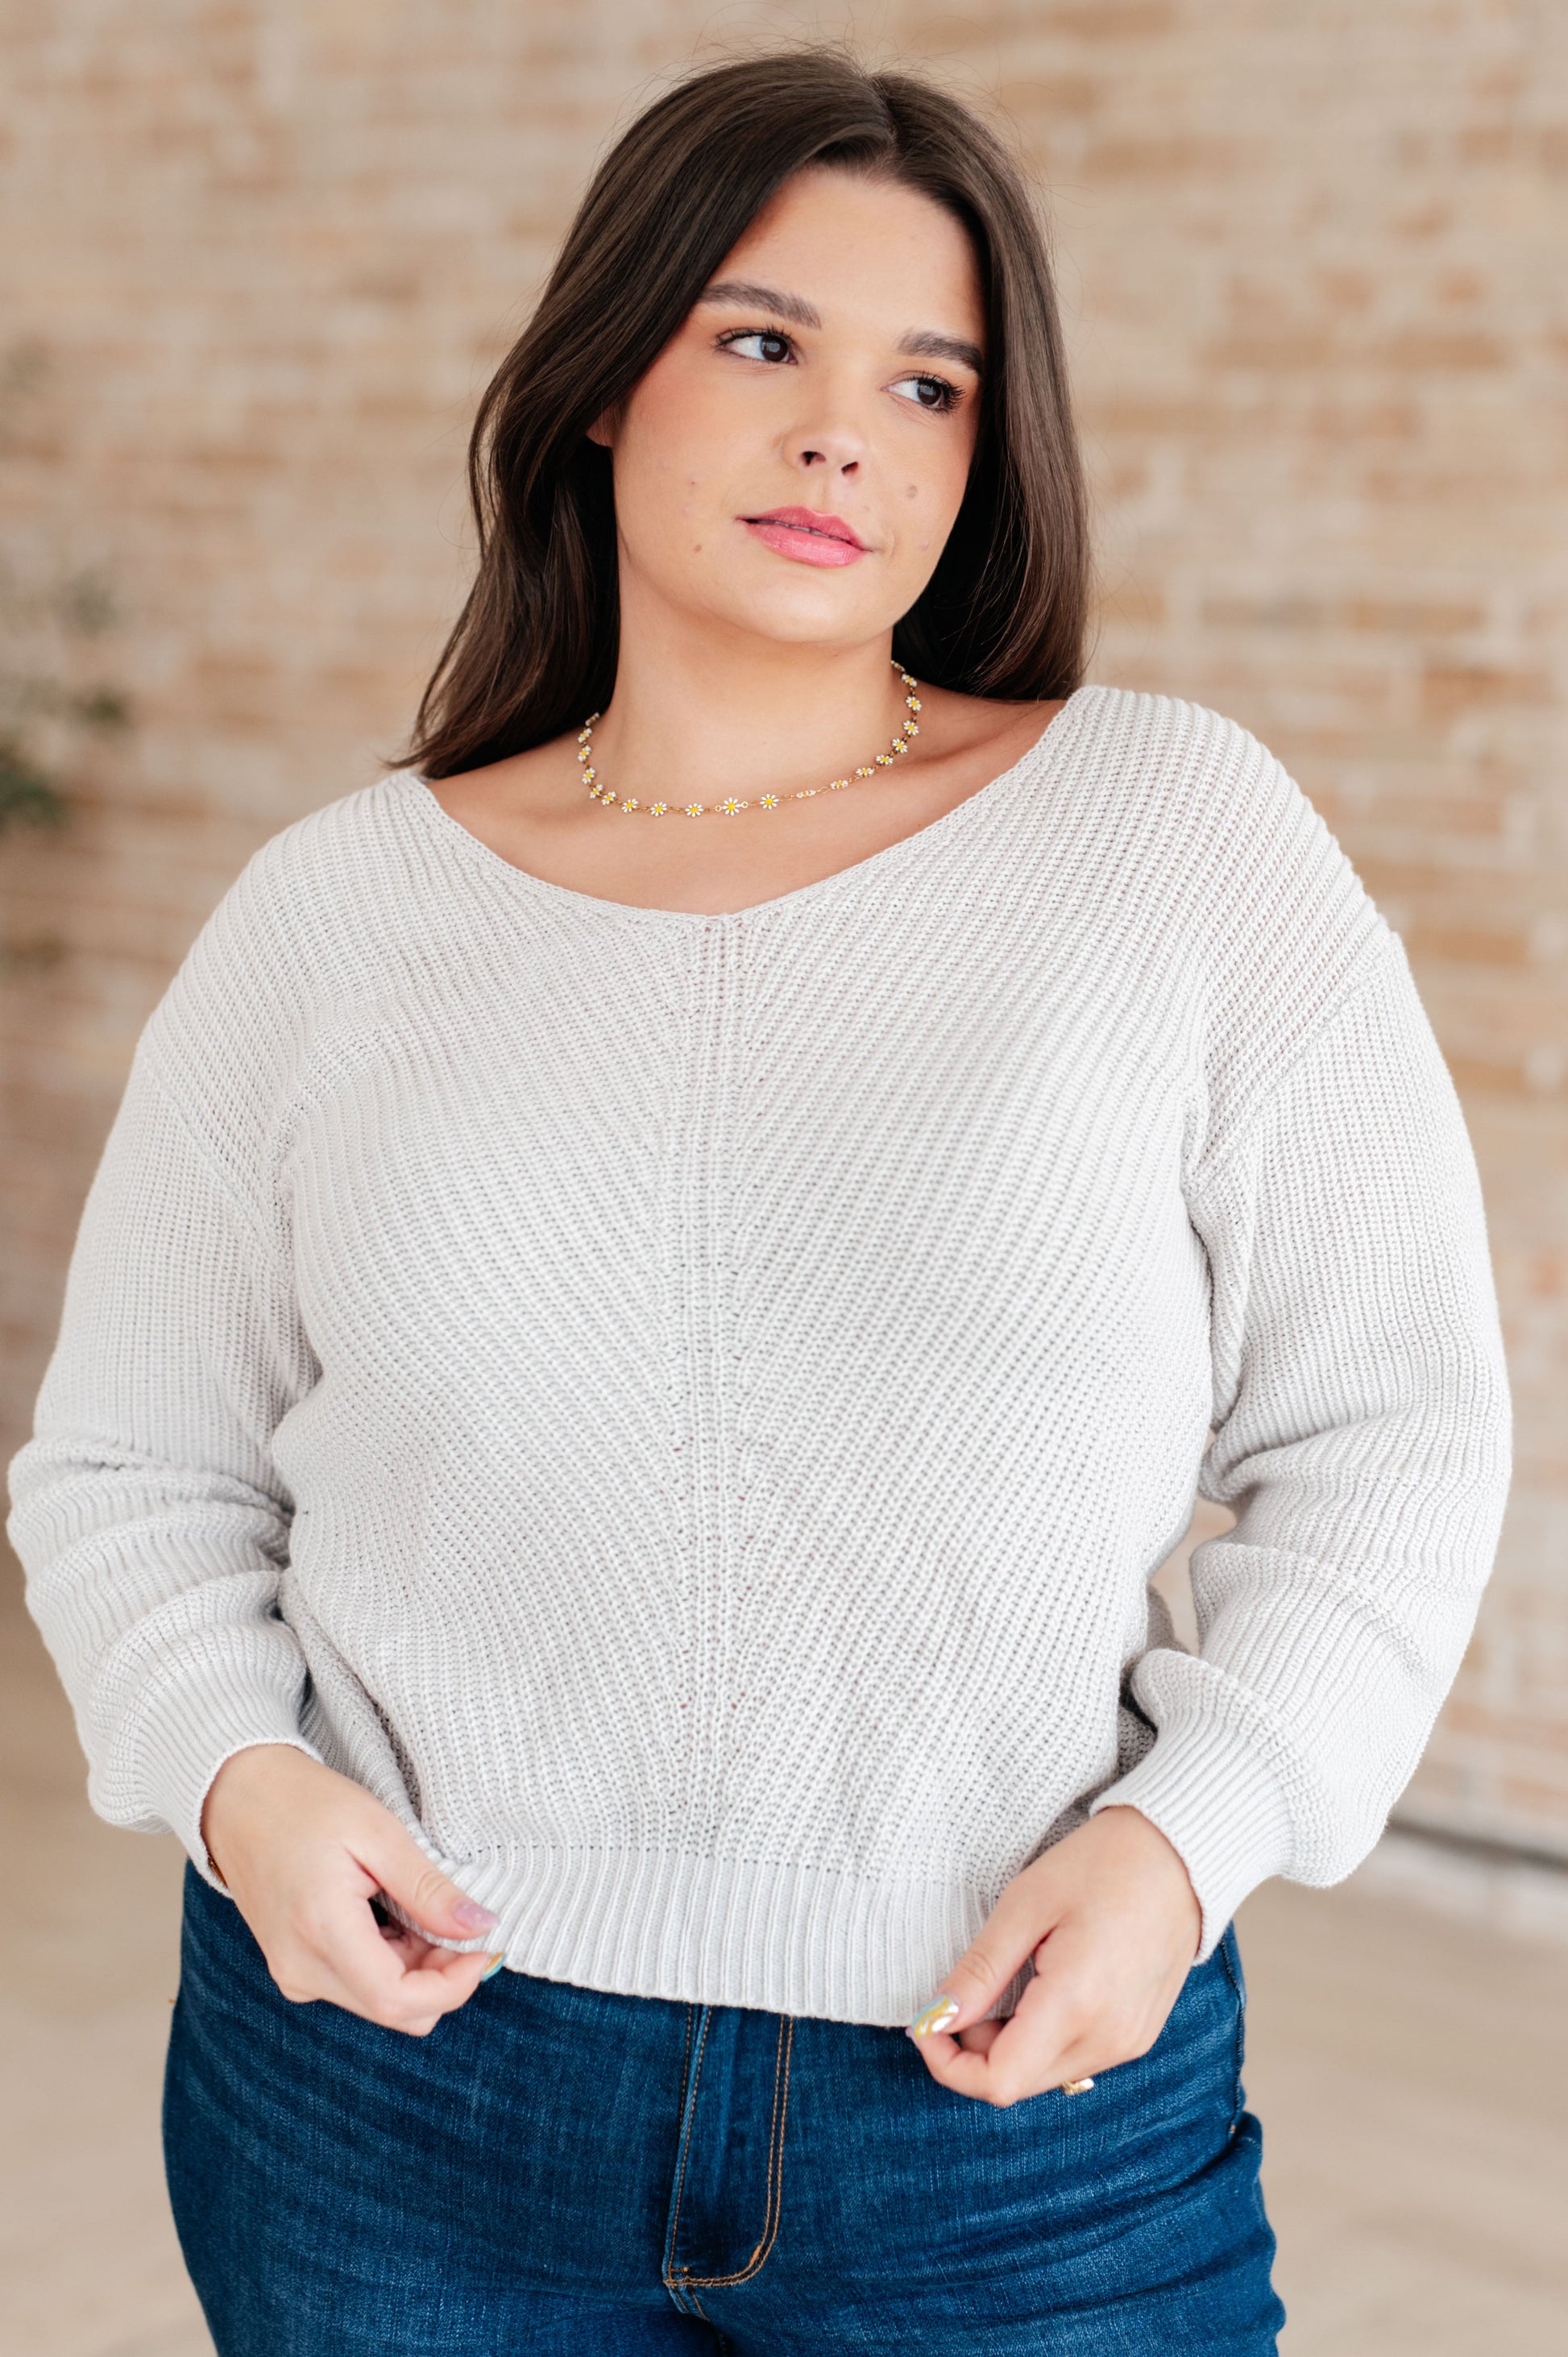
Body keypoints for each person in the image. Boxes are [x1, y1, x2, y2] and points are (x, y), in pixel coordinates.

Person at [7, 47, 1510, 2357]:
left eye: (928, 384)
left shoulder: (1170, 839)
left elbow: (1389, 1434)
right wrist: (234, 1782)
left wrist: (1182, 1842)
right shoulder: (336, 919)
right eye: (761, 340)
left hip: (1008, 2114)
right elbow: (133, 1465)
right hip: (392, 2102)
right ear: (599, 378)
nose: (843, 432)